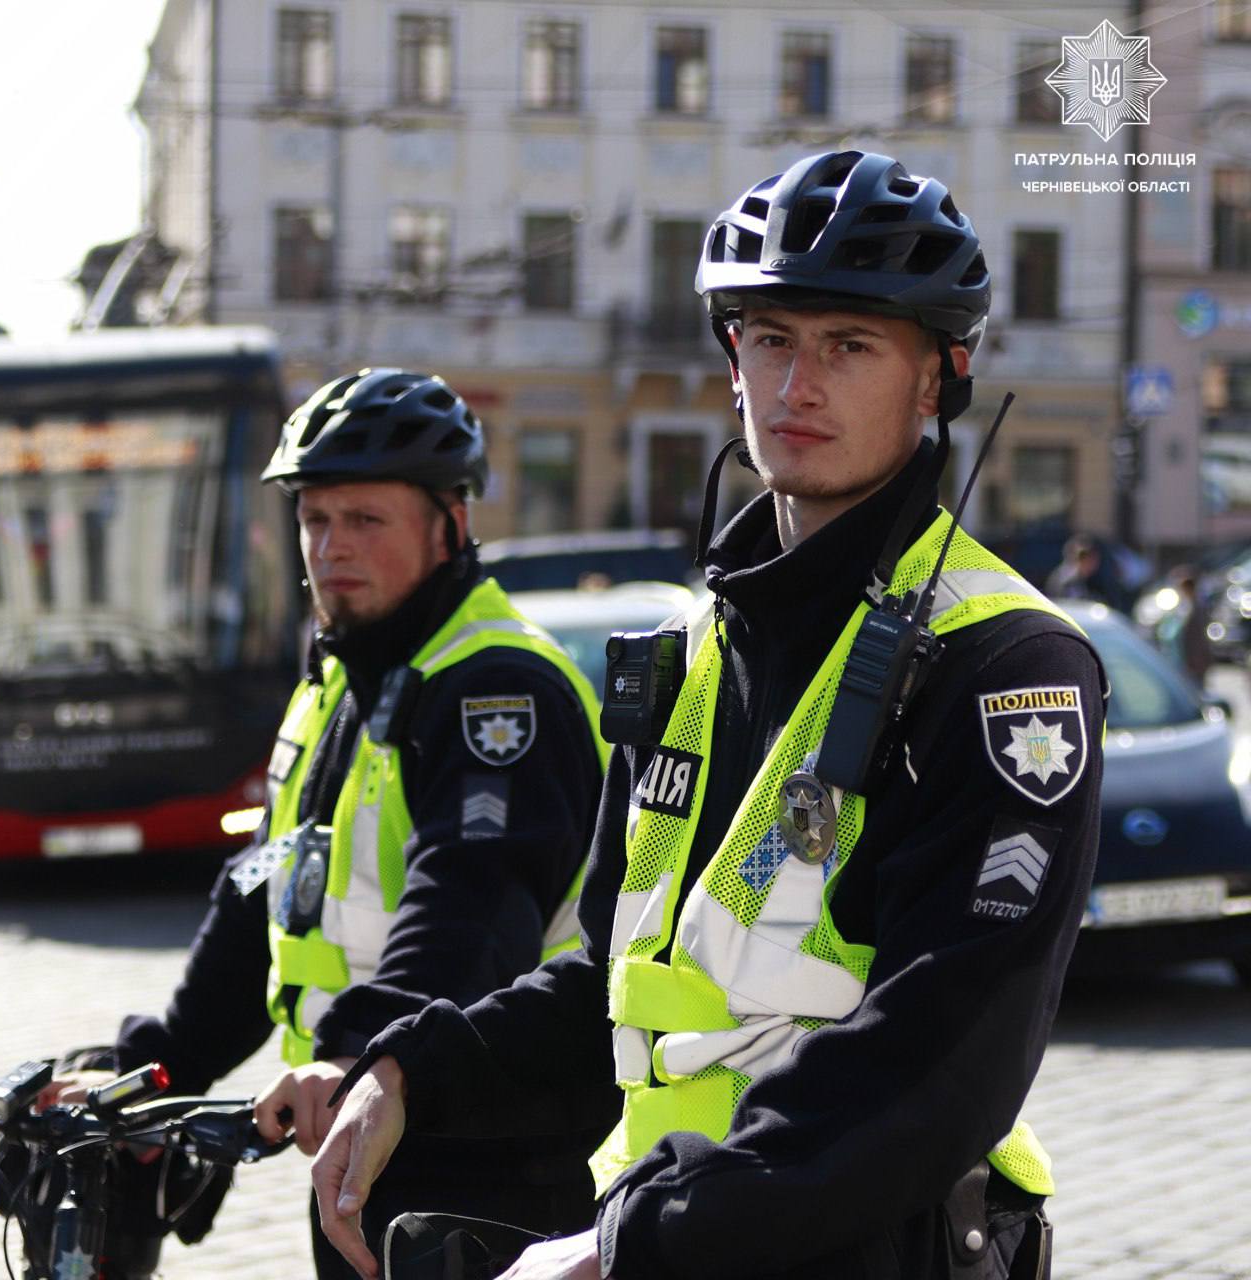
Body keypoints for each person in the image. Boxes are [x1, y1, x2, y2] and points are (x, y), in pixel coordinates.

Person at [311, 151, 1108, 1280]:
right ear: (732, 360)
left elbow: (944, 1057)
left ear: (937, 378)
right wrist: (408, 1070)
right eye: (771, 339)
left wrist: (627, 1243)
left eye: (850, 345)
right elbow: (608, 979)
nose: (797, 387)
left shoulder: (1001, 662)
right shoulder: (690, 649)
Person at [39, 369, 613, 1275]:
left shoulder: (497, 687)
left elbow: (471, 903)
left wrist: (354, 1053)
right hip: (359, 1132)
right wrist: (156, 1068)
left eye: (366, 520)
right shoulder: (339, 682)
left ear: (450, 526)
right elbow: (264, 895)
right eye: (314, 520)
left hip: (487, 1151)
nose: (331, 548)